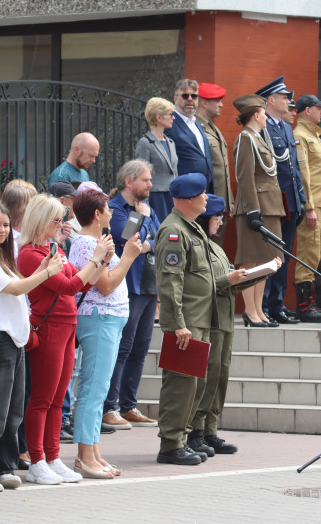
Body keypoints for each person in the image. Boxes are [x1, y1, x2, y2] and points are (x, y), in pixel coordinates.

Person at [0, 202, 62, 492]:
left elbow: (21, 284)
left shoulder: (2, 258)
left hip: (13, 341)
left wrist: (43, 267)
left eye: (6, 225)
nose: (3, 230)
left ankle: (5, 467)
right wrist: (48, 272)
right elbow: (17, 289)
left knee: (12, 412)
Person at [16, 194, 112, 485]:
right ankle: (38, 460)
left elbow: (80, 280)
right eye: (55, 220)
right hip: (49, 327)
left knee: (58, 398)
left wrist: (100, 260)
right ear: (40, 220)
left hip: (67, 324)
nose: (60, 224)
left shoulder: (50, 248)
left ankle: (53, 456)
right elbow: (70, 285)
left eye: (61, 219)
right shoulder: (30, 254)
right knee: (43, 398)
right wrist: (95, 259)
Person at [155, 174, 245, 465]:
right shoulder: (173, 231)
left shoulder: (191, 229)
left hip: (201, 319)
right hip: (187, 321)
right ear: (190, 198)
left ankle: (181, 440)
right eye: (203, 194)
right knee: (181, 384)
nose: (207, 199)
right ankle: (170, 444)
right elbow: (171, 282)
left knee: (195, 385)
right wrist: (177, 323)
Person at [67, 189, 142, 478]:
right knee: (93, 388)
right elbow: (106, 284)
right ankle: (85, 455)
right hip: (99, 318)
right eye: (108, 210)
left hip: (108, 319)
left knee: (98, 387)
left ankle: (93, 451)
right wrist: (129, 257)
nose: (111, 214)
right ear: (97, 215)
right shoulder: (87, 243)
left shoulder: (94, 241)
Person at [190, 194, 262, 457]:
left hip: (224, 319)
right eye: (217, 218)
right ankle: (196, 432)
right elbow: (199, 286)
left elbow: (227, 280)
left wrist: (255, 275)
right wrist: (228, 280)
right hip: (208, 319)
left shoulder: (216, 248)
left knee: (220, 378)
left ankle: (210, 430)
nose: (220, 224)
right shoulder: (196, 245)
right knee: (206, 379)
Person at [104, 160, 161, 429]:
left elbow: (163, 239)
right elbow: (128, 239)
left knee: (140, 348)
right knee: (123, 348)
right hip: (128, 285)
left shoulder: (148, 209)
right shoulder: (115, 209)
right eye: (146, 180)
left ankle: (129, 405)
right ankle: (110, 406)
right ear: (129, 181)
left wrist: (146, 236)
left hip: (149, 284)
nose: (151, 184)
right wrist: (143, 218)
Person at [231, 94, 285, 327]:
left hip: (269, 206)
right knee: (250, 261)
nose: (266, 116)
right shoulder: (246, 138)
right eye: (263, 113)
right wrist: (252, 210)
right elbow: (245, 177)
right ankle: (250, 311)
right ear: (256, 115)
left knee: (266, 261)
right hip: (256, 208)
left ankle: (259, 310)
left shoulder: (258, 138)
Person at [256, 76, 306, 325]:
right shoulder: (262, 127)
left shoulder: (286, 127)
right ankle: (262, 305)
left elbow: (293, 167)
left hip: (290, 202)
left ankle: (277, 304)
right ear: (271, 100)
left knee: (283, 256)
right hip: (273, 203)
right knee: (269, 255)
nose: (288, 102)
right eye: (284, 97)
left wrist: (302, 200)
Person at [292, 94, 321, 323]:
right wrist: (309, 206)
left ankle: (310, 303)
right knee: (308, 253)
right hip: (311, 206)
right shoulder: (301, 136)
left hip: (319, 205)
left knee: (315, 253)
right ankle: (304, 306)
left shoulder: (314, 136)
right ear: (307, 111)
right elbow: (304, 175)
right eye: (319, 108)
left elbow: (319, 175)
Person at [196, 82, 235, 244]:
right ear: (204, 103)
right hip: (208, 201)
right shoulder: (197, 127)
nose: (221, 104)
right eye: (217, 100)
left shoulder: (212, 128)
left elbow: (223, 169)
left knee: (217, 249)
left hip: (220, 202)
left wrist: (229, 199)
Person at [135, 97, 179, 223]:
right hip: (156, 197)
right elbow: (140, 175)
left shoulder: (171, 143)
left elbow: (175, 172)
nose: (173, 118)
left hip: (172, 197)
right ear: (158, 118)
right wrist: (144, 204)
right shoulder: (145, 143)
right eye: (170, 114)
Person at [167, 78, 213, 190]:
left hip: (204, 188)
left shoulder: (197, 125)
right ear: (175, 98)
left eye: (194, 96)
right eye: (185, 96)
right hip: (184, 190)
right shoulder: (170, 124)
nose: (190, 99)